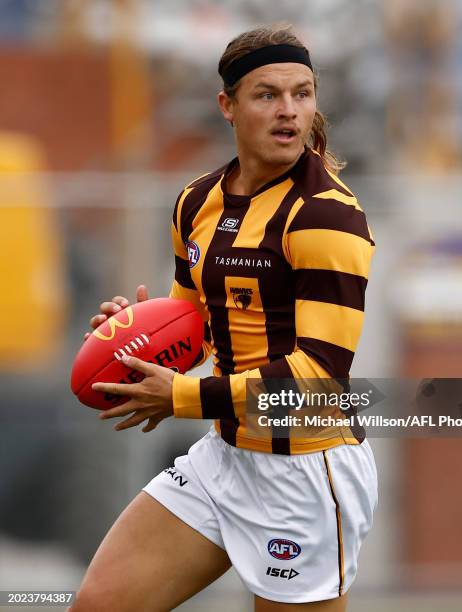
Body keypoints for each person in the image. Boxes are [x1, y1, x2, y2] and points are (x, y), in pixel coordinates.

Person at [71, 24, 377, 612]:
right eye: (267, 95)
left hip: (306, 472)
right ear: (227, 106)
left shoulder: (325, 216)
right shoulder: (197, 201)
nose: (289, 111)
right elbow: (192, 328)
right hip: (225, 457)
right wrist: (137, 335)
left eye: (302, 93)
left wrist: (181, 397)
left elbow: (319, 378)